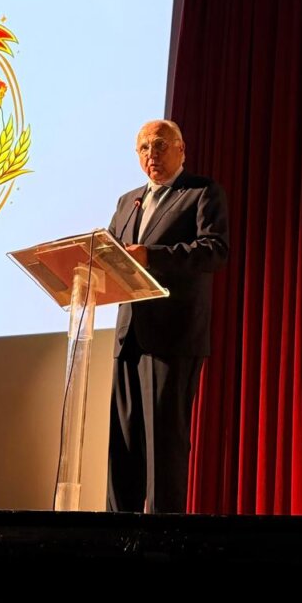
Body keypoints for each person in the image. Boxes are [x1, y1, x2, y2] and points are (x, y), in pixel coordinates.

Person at [106, 119, 229, 513]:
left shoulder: (201, 192)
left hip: (173, 337)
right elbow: (110, 255)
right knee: (122, 443)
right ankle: (115, 534)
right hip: (129, 336)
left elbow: (214, 250)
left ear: (181, 149)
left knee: (164, 443)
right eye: (143, 148)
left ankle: (163, 537)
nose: (151, 154)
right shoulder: (128, 201)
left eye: (159, 145)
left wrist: (152, 256)